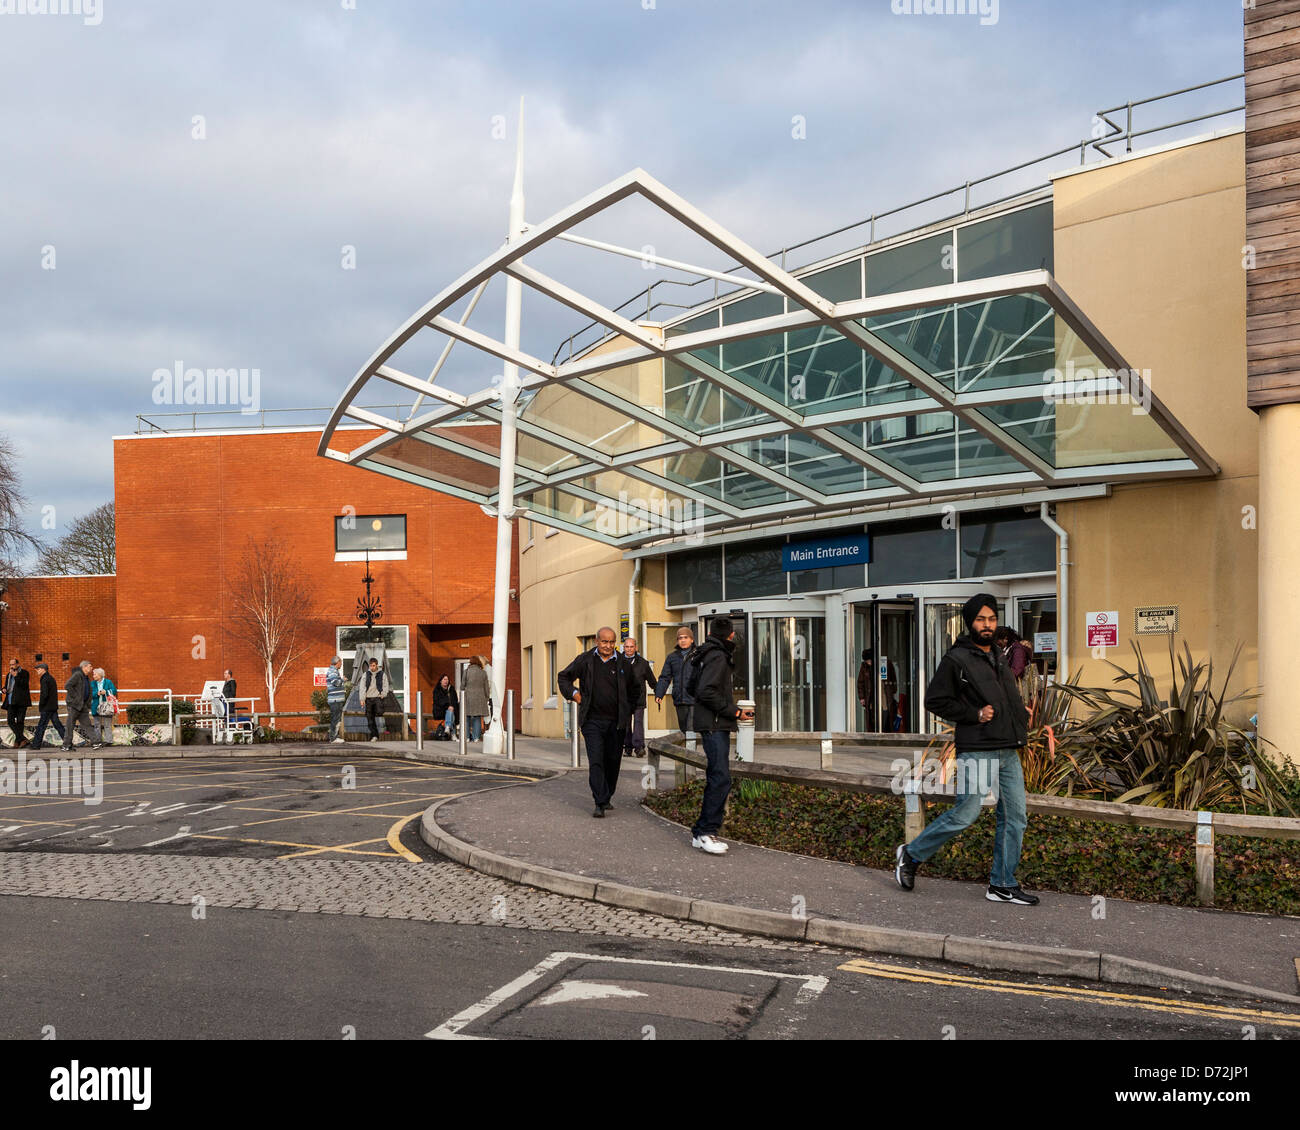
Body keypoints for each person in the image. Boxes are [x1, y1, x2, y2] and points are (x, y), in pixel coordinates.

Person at [895, 594, 1037, 906]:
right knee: (967, 812)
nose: (987, 625)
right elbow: (934, 700)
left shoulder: (998, 654)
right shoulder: (957, 659)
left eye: (991, 619)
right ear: (969, 622)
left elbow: (1003, 693)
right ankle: (911, 854)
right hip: (978, 748)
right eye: (980, 619)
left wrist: (1018, 714)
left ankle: (1002, 884)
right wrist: (974, 714)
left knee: (1016, 817)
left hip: (1008, 748)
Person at [559, 627, 638, 818]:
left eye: (612, 642)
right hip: (592, 721)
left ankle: (607, 794)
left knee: (612, 761)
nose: (608, 646)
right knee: (596, 760)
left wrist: (628, 711)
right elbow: (564, 677)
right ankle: (599, 801)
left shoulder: (622, 663)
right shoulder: (585, 660)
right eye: (604, 642)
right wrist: (575, 694)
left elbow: (635, 689)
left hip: (616, 723)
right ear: (596, 641)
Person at [689, 618, 753, 854]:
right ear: (731, 636)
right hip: (715, 724)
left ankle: (699, 832)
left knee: (716, 776)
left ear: (709, 632)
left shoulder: (703, 653)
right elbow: (706, 691)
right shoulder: (718, 656)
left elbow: (691, 688)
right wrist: (734, 711)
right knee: (721, 778)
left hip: (709, 723)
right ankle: (707, 832)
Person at [654, 627, 697, 732]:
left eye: (686, 637)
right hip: (679, 699)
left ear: (691, 639)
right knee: (683, 730)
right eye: (680, 638)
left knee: (690, 730)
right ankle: (686, 748)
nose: (683, 640)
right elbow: (665, 677)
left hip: (694, 699)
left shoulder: (698, 655)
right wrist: (659, 693)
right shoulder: (672, 657)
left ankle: (690, 748)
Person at [621, 637, 657, 758]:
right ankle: (627, 747)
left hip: (638, 699)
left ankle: (639, 747)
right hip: (624, 699)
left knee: (638, 723)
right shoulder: (618, 662)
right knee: (625, 724)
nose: (629, 649)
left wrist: (658, 692)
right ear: (624, 647)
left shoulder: (643, 663)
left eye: (631, 647)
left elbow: (652, 680)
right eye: (627, 647)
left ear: (636, 648)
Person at [62, 660, 101, 750]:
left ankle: (95, 742)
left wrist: (87, 703)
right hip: (74, 705)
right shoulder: (77, 675)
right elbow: (67, 686)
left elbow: (87, 691)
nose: (91, 668)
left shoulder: (86, 677)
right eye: (90, 666)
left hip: (82, 705)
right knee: (70, 725)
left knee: (87, 724)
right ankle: (66, 745)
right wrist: (76, 698)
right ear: (84, 667)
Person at [29, 662, 65, 751]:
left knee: (41, 726)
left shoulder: (45, 679)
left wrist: (41, 706)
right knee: (58, 725)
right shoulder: (50, 678)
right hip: (52, 706)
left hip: (47, 707)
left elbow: (44, 694)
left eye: (38, 669)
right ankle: (68, 743)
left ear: (43, 669)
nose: (37, 671)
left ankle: (36, 745)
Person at [460, 656, 490, 742]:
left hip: (468, 697)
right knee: (477, 717)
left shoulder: (466, 672)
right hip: (480, 698)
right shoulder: (483, 673)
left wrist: (462, 696)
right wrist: (486, 698)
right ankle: (476, 737)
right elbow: (486, 687)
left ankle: (467, 737)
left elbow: (462, 686)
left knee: (467, 717)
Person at [3, 658, 31, 748]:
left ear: (18, 664)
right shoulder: (9, 675)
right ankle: (22, 739)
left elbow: (24, 685)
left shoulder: (24, 673)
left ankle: (18, 741)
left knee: (20, 721)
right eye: (10, 664)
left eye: (13, 664)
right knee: (10, 721)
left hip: (21, 702)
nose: (11, 666)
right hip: (11, 701)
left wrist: (16, 676)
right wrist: (3, 689)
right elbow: (7, 685)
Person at [360, 657, 388, 743]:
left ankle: (376, 733)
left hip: (378, 698)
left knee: (379, 712)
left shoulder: (382, 674)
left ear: (377, 665)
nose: (372, 667)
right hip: (368, 698)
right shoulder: (366, 674)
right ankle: (374, 735)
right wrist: (362, 699)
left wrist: (383, 694)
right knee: (370, 718)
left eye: (373, 666)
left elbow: (386, 685)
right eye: (371, 666)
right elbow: (362, 687)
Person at [91, 667, 119, 747]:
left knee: (107, 724)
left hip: (106, 707)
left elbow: (114, 691)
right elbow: (89, 694)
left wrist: (106, 692)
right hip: (96, 706)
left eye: (95, 674)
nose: (93, 676)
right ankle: (98, 741)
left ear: (100, 675)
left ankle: (108, 741)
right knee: (97, 725)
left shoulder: (108, 682)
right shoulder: (92, 683)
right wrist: (97, 693)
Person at [432, 672, 459, 740]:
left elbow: (455, 700)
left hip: (451, 709)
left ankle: (448, 727)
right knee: (450, 712)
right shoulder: (437, 689)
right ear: (441, 681)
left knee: (451, 712)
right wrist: (448, 706)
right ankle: (453, 734)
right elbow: (438, 701)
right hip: (440, 710)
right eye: (444, 679)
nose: (446, 681)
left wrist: (451, 707)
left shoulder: (451, 689)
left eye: (447, 679)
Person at [326, 656, 346, 743]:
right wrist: (343, 680)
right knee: (335, 719)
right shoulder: (332, 671)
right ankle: (333, 738)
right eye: (340, 662)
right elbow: (336, 683)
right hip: (335, 700)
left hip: (337, 699)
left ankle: (335, 737)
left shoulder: (334, 671)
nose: (341, 664)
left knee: (337, 719)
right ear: (337, 662)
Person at [856, 648, 874, 731]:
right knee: (869, 715)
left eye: (869, 660)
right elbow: (860, 683)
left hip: (877, 694)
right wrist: (862, 697)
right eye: (867, 660)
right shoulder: (864, 667)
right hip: (868, 695)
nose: (869, 662)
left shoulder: (877, 666)